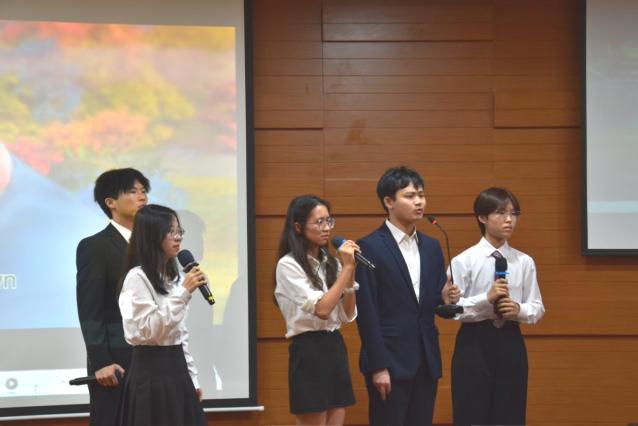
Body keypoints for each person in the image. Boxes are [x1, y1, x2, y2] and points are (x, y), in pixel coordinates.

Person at [355, 166, 460, 426]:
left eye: (421, 195)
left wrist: (445, 298)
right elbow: (367, 312)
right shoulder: (369, 246)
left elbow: (432, 301)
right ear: (388, 201)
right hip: (389, 362)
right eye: (410, 196)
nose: (419, 202)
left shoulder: (432, 246)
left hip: (426, 360)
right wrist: (378, 365)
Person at [450, 187, 545, 426]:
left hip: (511, 341)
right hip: (473, 343)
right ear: (482, 217)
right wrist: (487, 299)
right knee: (471, 413)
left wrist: (519, 310)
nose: (509, 220)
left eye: (514, 213)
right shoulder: (463, 261)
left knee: (511, 414)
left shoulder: (524, 261)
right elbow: (454, 309)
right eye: (501, 213)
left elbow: (537, 307)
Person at [116, 204, 207, 426]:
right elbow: (150, 331)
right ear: (152, 235)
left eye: (179, 231)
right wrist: (183, 293)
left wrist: (192, 377)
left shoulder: (173, 277)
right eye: (170, 231)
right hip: (150, 373)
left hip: (177, 370)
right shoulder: (136, 278)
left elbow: (179, 333)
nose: (178, 237)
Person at [274, 195, 358, 426]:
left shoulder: (332, 263)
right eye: (319, 222)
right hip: (308, 349)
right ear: (298, 227)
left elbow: (346, 315)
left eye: (329, 221)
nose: (326, 228)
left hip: (335, 345)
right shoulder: (288, 265)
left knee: (337, 416)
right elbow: (322, 309)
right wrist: (346, 269)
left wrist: (350, 273)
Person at [76, 168, 149, 426]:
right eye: (132, 191)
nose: (142, 196)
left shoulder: (154, 247)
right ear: (110, 202)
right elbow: (90, 309)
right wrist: (102, 362)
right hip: (116, 362)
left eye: (144, 191)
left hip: (154, 362)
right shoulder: (95, 246)